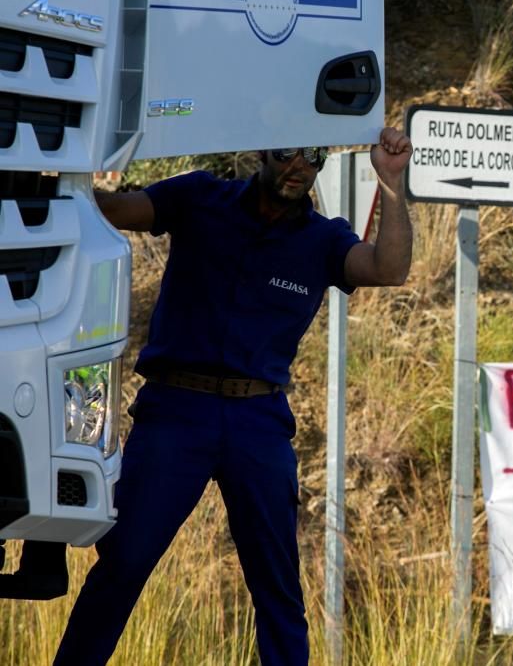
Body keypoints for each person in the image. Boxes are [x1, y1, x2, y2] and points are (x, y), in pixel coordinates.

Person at [52, 127, 413, 666]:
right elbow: (111, 211)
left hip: (258, 421)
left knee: (277, 586)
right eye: (288, 150)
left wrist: (391, 182)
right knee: (123, 563)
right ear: (261, 151)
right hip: (176, 413)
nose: (299, 165)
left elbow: (390, 268)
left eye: (313, 155)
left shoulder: (323, 240)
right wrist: (61, 178)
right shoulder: (200, 197)